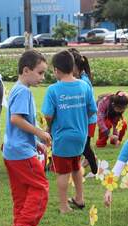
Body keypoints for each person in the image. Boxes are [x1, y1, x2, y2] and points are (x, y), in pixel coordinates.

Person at [3, 50, 51, 226]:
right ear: (26, 70)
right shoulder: (23, 91)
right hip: (21, 152)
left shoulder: (16, 88)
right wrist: (40, 133)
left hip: (12, 151)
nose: (42, 77)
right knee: (40, 188)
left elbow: (20, 121)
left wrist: (37, 142)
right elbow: (16, 119)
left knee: (21, 192)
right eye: (40, 73)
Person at [42, 50, 97, 214]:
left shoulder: (53, 90)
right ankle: (79, 198)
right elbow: (91, 110)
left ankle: (64, 206)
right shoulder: (84, 86)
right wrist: (79, 118)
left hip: (62, 137)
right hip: (81, 136)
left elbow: (48, 115)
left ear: (56, 70)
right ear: (73, 67)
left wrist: (49, 128)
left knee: (63, 172)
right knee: (76, 167)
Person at [68, 48, 98, 174]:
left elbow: (89, 106)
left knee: (84, 146)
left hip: (88, 120)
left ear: (77, 67)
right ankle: (90, 163)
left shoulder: (83, 82)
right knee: (83, 145)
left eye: (71, 66)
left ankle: (95, 169)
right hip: (83, 119)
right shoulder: (79, 79)